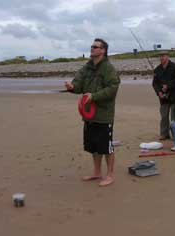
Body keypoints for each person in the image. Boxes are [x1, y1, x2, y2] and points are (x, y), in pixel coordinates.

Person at [65, 38, 120, 186]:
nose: (92, 49)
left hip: (104, 115)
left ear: (103, 50)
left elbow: (113, 87)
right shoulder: (87, 67)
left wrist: (94, 96)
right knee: (93, 146)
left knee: (106, 146)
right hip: (88, 114)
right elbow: (78, 83)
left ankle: (110, 175)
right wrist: (72, 87)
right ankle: (97, 172)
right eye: (92, 46)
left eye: (95, 47)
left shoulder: (108, 68)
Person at [152, 51, 175, 140]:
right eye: (160, 56)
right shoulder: (157, 69)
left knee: (174, 117)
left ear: (167, 57)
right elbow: (154, 84)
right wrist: (159, 92)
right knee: (164, 117)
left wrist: (168, 86)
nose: (161, 58)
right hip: (163, 98)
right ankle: (164, 134)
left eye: (163, 56)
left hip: (174, 97)